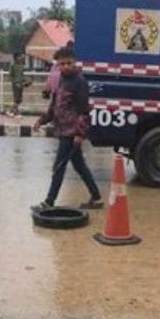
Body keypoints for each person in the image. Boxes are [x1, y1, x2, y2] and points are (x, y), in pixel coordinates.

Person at [31, 46, 101, 212]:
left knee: (59, 167)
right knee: (79, 166)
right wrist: (41, 120)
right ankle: (96, 197)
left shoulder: (80, 82)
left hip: (71, 132)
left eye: (69, 63)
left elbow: (84, 111)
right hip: (62, 130)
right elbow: (55, 106)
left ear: (75, 62)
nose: (65, 67)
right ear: (57, 65)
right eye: (62, 64)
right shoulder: (61, 80)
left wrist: (79, 134)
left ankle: (49, 202)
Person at [8, 52, 28, 117]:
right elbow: (10, 76)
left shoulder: (21, 65)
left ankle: (15, 113)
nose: (21, 58)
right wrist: (15, 82)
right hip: (16, 85)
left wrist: (27, 81)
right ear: (16, 58)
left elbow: (22, 75)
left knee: (19, 100)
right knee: (16, 99)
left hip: (21, 84)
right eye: (19, 56)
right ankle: (10, 111)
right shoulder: (12, 65)